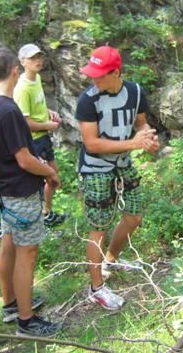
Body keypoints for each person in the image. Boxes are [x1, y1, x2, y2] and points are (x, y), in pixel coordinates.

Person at [0, 47, 61, 336]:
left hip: (5, 189)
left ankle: (11, 304)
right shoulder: (9, 109)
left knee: (10, 245)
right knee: (27, 253)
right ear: (15, 71)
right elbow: (24, 159)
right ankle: (26, 321)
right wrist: (49, 172)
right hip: (20, 190)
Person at [76, 46, 159, 311]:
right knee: (99, 227)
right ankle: (96, 288)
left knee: (134, 216)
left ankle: (110, 259)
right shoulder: (88, 100)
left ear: (116, 72)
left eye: (100, 74)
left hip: (122, 163)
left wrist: (147, 137)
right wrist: (134, 144)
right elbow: (91, 143)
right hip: (95, 168)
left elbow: (140, 123)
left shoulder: (135, 92)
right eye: (92, 74)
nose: (94, 79)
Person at [14, 43, 66, 227]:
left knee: (53, 177)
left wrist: (48, 112)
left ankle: (46, 212)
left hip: (43, 138)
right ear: (23, 62)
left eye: (39, 57)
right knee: (47, 179)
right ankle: (39, 216)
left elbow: (35, 108)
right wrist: (47, 125)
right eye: (33, 58)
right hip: (33, 141)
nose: (38, 61)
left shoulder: (36, 79)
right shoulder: (22, 89)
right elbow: (24, 122)